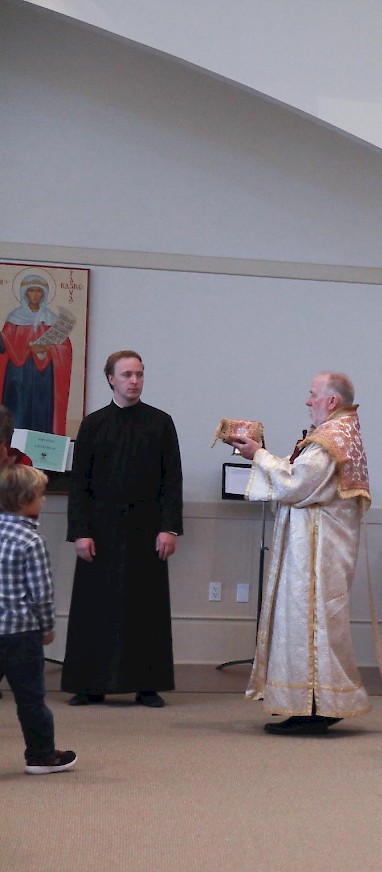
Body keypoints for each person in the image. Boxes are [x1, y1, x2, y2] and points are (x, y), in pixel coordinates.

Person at [227, 372, 382, 733]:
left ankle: (315, 708)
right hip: (319, 548)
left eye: (313, 394)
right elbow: (302, 476)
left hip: (316, 555)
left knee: (310, 626)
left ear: (332, 401)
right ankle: (311, 704)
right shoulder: (341, 433)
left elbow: (296, 484)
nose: (308, 401)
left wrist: (257, 454)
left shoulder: (330, 439)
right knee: (316, 626)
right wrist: (264, 454)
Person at [61, 351, 182, 708]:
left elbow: (172, 481)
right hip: (100, 529)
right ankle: (89, 684)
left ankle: (147, 685)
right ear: (110, 379)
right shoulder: (93, 425)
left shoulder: (161, 423)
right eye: (127, 374)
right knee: (95, 606)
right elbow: (79, 484)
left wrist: (169, 528)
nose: (134, 381)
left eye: (139, 374)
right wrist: (80, 531)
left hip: (147, 528)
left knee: (146, 607)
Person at [1, 463, 75, 774]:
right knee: (30, 698)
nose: (44, 500)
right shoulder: (31, 541)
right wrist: (47, 627)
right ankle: (41, 755)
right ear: (23, 501)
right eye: (40, 495)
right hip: (20, 633)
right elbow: (41, 593)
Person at [1, 272, 74, 435]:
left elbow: (65, 348)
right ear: (25, 293)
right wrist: (20, 345)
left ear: (44, 294)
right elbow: (4, 344)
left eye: (39, 291)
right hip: (18, 375)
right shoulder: (14, 318)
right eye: (31, 290)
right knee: (17, 410)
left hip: (43, 376)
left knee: (41, 410)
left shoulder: (51, 318)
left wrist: (49, 349)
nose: (35, 295)